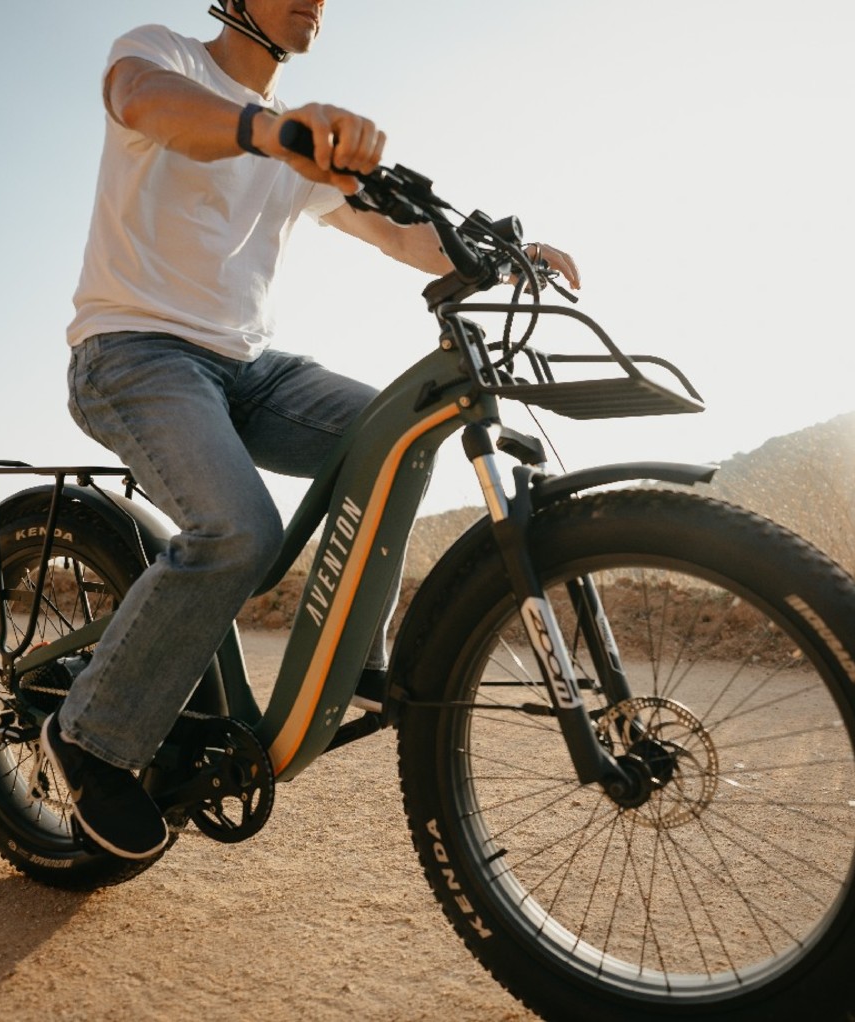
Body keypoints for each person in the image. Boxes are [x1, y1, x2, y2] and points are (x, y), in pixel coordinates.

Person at [41, 0, 581, 861]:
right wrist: (272, 129)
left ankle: (361, 653)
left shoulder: (301, 146)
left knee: (399, 433)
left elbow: (400, 236)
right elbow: (145, 104)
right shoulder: (162, 55)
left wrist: (499, 254)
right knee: (239, 532)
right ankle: (90, 738)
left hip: (247, 368)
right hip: (133, 351)